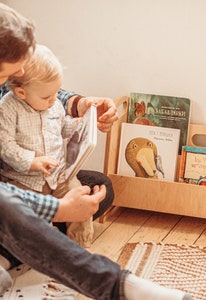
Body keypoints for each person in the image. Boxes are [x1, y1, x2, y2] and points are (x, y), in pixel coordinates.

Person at [0, 3, 194, 300]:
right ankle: (41, 248)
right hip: (14, 180)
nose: (21, 73)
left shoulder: (22, 84)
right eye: (12, 72)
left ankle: (25, 245)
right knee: (19, 206)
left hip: (36, 181)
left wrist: (82, 108)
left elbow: (48, 95)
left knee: (98, 188)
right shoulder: (10, 103)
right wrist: (60, 209)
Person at [0, 44, 94, 248]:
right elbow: (5, 146)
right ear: (21, 93)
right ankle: (39, 244)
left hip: (57, 175)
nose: (53, 101)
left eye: (55, 94)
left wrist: (77, 125)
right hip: (24, 179)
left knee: (83, 195)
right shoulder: (7, 108)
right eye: (47, 97)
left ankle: (78, 245)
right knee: (26, 215)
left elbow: (61, 127)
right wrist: (32, 162)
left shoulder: (54, 104)